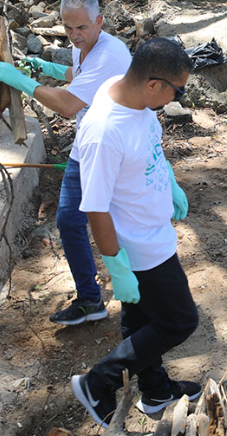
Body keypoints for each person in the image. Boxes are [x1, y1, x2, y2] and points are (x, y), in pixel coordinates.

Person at [69, 38, 200, 427]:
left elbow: (149, 147)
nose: (179, 98)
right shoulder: (104, 131)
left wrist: (169, 181)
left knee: (141, 322)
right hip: (140, 246)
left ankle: (156, 390)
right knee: (179, 321)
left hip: (153, 229)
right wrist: (115, 265)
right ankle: (98, 382)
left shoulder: (133, 97)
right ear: (153, 84)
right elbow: (95, 206)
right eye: (178, 90)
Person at [0, 0, 133, 325]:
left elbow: (68, 105)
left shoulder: (111, 54)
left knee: (119, 223)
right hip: (87, 145)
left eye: (81, 28)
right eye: (68, 29)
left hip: (112, 150)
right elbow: (79, 77)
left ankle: (137, 297)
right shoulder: (84, 45)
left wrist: (22, 81)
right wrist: (44, 67)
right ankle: (90, 299)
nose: (74, 35)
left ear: (99, 21)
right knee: (69, 219)